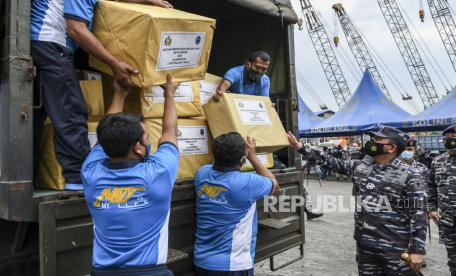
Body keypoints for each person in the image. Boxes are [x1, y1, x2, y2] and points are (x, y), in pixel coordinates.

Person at [30, 0, 172, 190]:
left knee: (38, 115)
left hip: (44, 43)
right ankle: (78, 178)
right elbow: (76, 29)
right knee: (72, 111)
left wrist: (147, 1)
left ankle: (32, 173)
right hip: (52, 42)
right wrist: (114, 64)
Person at [289, 127, 427, 275]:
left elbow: (418, 213)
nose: (372, 142)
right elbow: (332, 162)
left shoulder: (410, 175)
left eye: (378, 140)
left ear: (391, 148)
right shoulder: (362, 167)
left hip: (395, 248)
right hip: (365, 246)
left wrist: (417, 250)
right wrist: (301, 148)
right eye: (373, 139)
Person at [81, 75, 179, 276]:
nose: (149, 141)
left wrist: (120, 93)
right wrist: (169, 94)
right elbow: (170, 131)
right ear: (138, 148)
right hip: (150, 272)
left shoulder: (91, 172)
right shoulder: (157, 173)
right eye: (147, 138)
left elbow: (105, 135)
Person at [194, 133, 280, 275]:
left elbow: (213, 166)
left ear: (214, 156)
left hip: (202, 262)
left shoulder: (202, 174)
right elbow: (275, 185)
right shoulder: (246, 183)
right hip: (233, 265)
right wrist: (253, 156)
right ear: (243, 159)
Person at [428, 123, 456, 276]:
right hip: (449, 222)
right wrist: (432, 209)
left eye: (455, 137)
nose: (450, 140)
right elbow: (431, 187)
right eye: (447, 137)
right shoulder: (437, 161)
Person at [287, 132, 324, 220]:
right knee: (303, 196)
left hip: (298, 177)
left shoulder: (297, 153)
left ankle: (308, 212)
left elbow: (300, 168)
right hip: (295, 177)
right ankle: (308, 212)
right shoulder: (295, 153)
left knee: (304, 196)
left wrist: (307, 163)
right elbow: (299, 168)